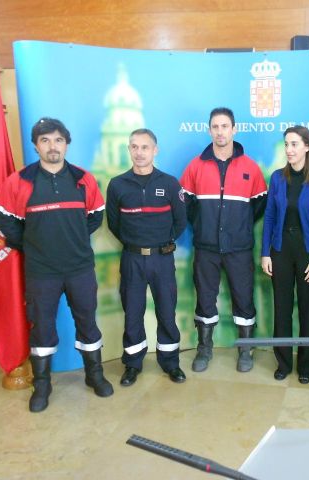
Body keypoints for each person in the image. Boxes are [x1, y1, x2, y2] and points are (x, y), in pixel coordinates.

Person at [0, 117, 113, 413]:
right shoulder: (20, 181)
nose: (52, 146)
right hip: (41, 272)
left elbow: (96, 214)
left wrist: (72, 237)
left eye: (58, 140)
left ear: (66, 144)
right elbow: (1, 215)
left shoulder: (83, 179)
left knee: (87, 321)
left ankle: (94, 375)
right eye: (45, 140)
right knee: (42, 327)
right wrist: (31, 242)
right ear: (36, 146)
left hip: (79, 267)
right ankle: (42, 384)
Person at [180, 107, 267, 373]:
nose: (220, 132)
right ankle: (204, 349)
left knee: (244, 298)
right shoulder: (195, 166)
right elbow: (186, 206)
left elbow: (258, 206)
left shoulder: (250, 168)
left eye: (225, 126)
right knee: (205, 299)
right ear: (210, 130)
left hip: (239, 248)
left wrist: (238, 228)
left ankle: (245, 349)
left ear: (234, 129)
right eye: (215, 127)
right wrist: (203, 227)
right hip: (206, 248)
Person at [106, 128, 187, 387]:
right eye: (134, 147)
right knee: (133, 314)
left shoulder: (170, 183)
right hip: (132, 260)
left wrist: (161, 242)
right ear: (129, 150)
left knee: (166, 311)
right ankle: (132, 364)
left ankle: (170, 363)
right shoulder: (117, 185)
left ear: (155, 150)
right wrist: (135, 243)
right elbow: (115, 224)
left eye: (145, 147)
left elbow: (180, 221)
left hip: (162, 260)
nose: (139, 152)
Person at [261, 126, 309, 384]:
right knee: (282, 309)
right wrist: (265, 253)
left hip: (308, 252)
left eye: (294, 144)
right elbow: (269, 216)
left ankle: (306, 365)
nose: (289, 150)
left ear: (307, 147)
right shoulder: (278, 178)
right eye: (286, 144)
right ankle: (283, 362)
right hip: (280, 250)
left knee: (307, 310)